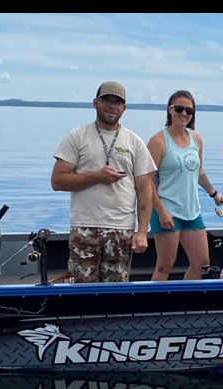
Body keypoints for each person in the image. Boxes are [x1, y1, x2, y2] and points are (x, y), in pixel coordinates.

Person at [51, 81, 157, 283]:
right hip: (85, 227)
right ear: (95, 103)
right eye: (107, 100)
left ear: (124, 108)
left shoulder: (135, 142)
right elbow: (57, 181)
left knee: (116, 293)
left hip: (122, 229)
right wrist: (96, 177)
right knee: (81, 291)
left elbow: (145, 191)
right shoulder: (76, 137)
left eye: (118, 102)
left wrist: (142, 232)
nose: (112, 106)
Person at [147, 90, 223, 280]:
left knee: (202, 263)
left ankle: (184, 302)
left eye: (189, 111)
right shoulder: (158, 141)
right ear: (170, 110)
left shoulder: (196, 139)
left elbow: (199, 171)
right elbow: (146, 181)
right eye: (179, 109)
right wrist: (161, 211)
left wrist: (213, 193)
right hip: (167, 210)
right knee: (165, 265)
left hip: (192, 211)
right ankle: (154, 305)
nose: (184, 114)